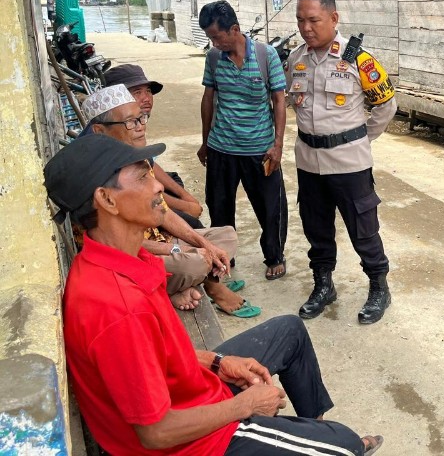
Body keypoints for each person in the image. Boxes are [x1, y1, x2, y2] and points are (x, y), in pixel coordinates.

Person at [43, 133, 384, 456]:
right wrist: (244, 406)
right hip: (192, 444)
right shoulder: (116, 306)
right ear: (107, 199)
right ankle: (322, 443)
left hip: (194, 394)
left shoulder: (129, 258)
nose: (158, 184)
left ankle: (308, 435)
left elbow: (160, 356)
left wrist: (218, 362)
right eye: (142, 177)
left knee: (289, 331)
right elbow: (155, 432)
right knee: (345, 445)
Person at [82, 84, 256, 316]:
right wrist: (176, 249)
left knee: (225, 237)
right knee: (194, 263)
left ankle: (188, 285)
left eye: (141, 118)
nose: (141, 127)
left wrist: (202, 244)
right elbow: (112, 244)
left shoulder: (135, 156)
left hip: (162, 241)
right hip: (135, 257)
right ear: (99, 131)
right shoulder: (93, 178)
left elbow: (163, 211)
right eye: (130, 122)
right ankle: (207, 286)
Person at [286, 0, 397, 325]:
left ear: (334, 18)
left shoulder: (359, 60)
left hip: (349, 164)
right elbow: (293, 103)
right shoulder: (296, 59)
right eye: (301, 20)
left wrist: (357, 141)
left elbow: (385, 106)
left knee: (363, 229)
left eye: (314, 20)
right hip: (308, 162)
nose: (306, 28)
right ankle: (324, 285)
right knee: (316, 229)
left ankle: (379, 286)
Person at [198, 0, 289, 281]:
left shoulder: (266, 55)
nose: (213, 43)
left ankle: (274, 256)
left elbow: (279, 101)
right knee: (219, 207)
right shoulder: (214, 59)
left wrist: (277, 145)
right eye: (209, 38)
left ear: (234, 29)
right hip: (221, 148)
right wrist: (205, 141)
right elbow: (208, 98)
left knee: (271, 208)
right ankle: (225, 256)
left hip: (259, 150)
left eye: (216, 36)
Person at [105, 63, 204, 229]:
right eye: (137, 92)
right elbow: (140, 187)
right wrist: (185, 206)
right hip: (134, 207)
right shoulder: (113, 130)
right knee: (192, 223)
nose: (146, 98)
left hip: (144, 190)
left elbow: (148, 162)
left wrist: (186, 197)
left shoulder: (134, 119)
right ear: (117, 97)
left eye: (148, 91)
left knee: (174, 182)